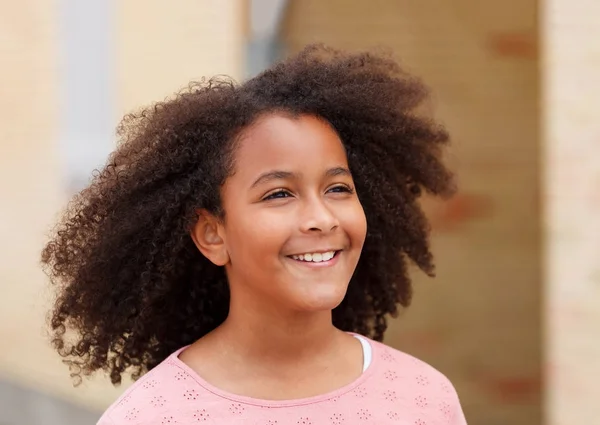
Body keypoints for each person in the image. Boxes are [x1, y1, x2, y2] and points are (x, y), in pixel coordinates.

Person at [42, 44, 467, 424]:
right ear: (212, 234)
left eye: (338, 188)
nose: (321, 218)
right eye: (279, 194)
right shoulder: (153, 416)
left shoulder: (424, 400)